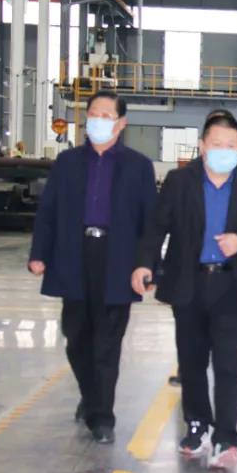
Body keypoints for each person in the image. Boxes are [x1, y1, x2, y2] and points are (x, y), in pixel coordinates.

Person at [134, 113, 237, 470]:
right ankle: (197, 424)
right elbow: (156, 227)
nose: (223, 151)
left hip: (231, 286)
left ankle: (226, 437)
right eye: (216, 144)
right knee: (192, 361)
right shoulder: (180, 182)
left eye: (230, 145)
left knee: (228, 365)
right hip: (189, 284)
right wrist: (145, 264)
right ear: (202, 146)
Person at [28, 91, 156, 444]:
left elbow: (151, 223)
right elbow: (48, 212)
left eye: (105, 114)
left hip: (117, 259)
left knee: (107, 343)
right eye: (93, 113)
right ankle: (91, 394)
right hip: (74, 254)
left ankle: (102, 417)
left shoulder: (138, 166)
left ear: (121, 122)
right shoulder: (67, 162)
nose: (97, 120)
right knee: (76, 338)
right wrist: (39, 253)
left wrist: (146, 265)